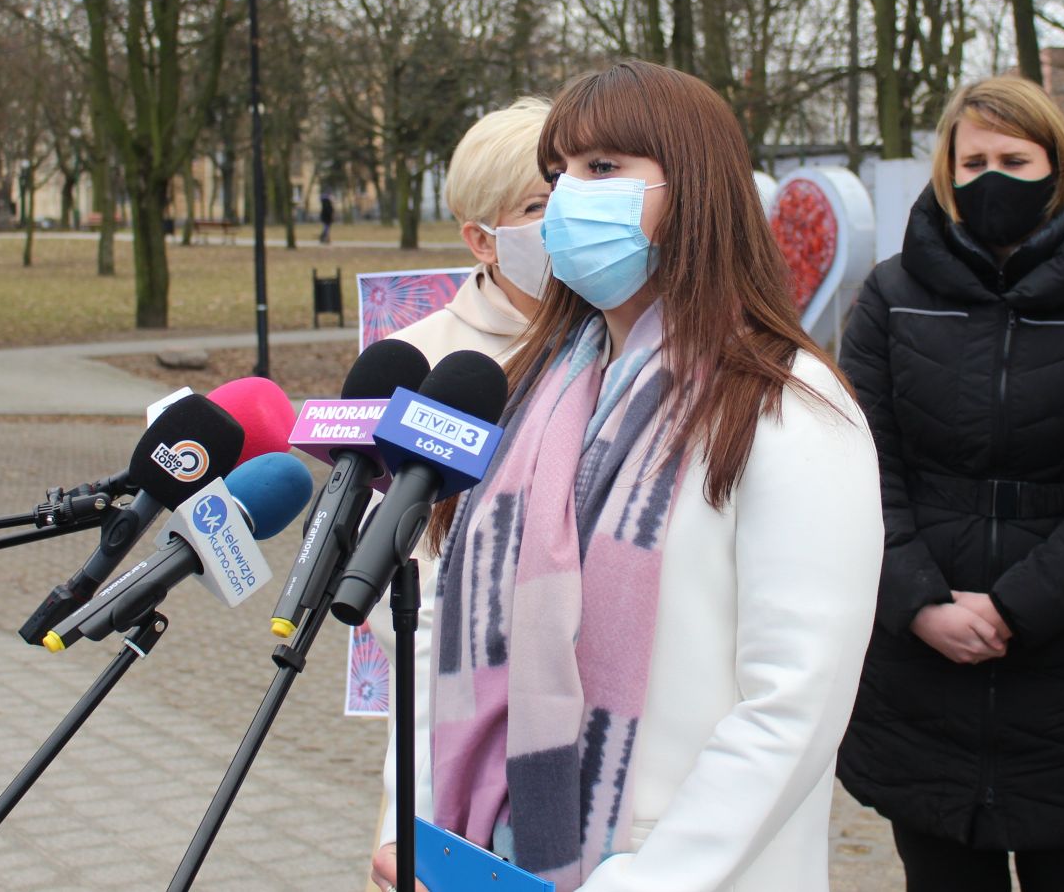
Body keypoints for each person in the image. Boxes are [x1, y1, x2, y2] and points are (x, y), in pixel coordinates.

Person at [369, 61, 882, 892]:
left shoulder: (788, 407)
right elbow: (438, 633)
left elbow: (794, 701)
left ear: (697, 189)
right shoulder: (526, 392)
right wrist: (418, 833)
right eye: (556, 174)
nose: (569, 196)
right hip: (487, 859)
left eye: (603, 166)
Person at [835, 75, 1064, 892]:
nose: (989, 178)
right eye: (972, 162)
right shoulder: (890, 295)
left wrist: (1014, 607)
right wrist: (919, 601)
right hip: (923, 671)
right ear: (945, 171)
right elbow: (858, 467)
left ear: (1057, 165)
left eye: (1013, 159)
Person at [364, 95, 552, 888]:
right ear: (480, 239)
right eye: (536, 206)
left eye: (572, 189)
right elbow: (387, 582)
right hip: (452, 729)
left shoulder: (627, 344)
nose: (563, 219)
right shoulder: (420, 360)